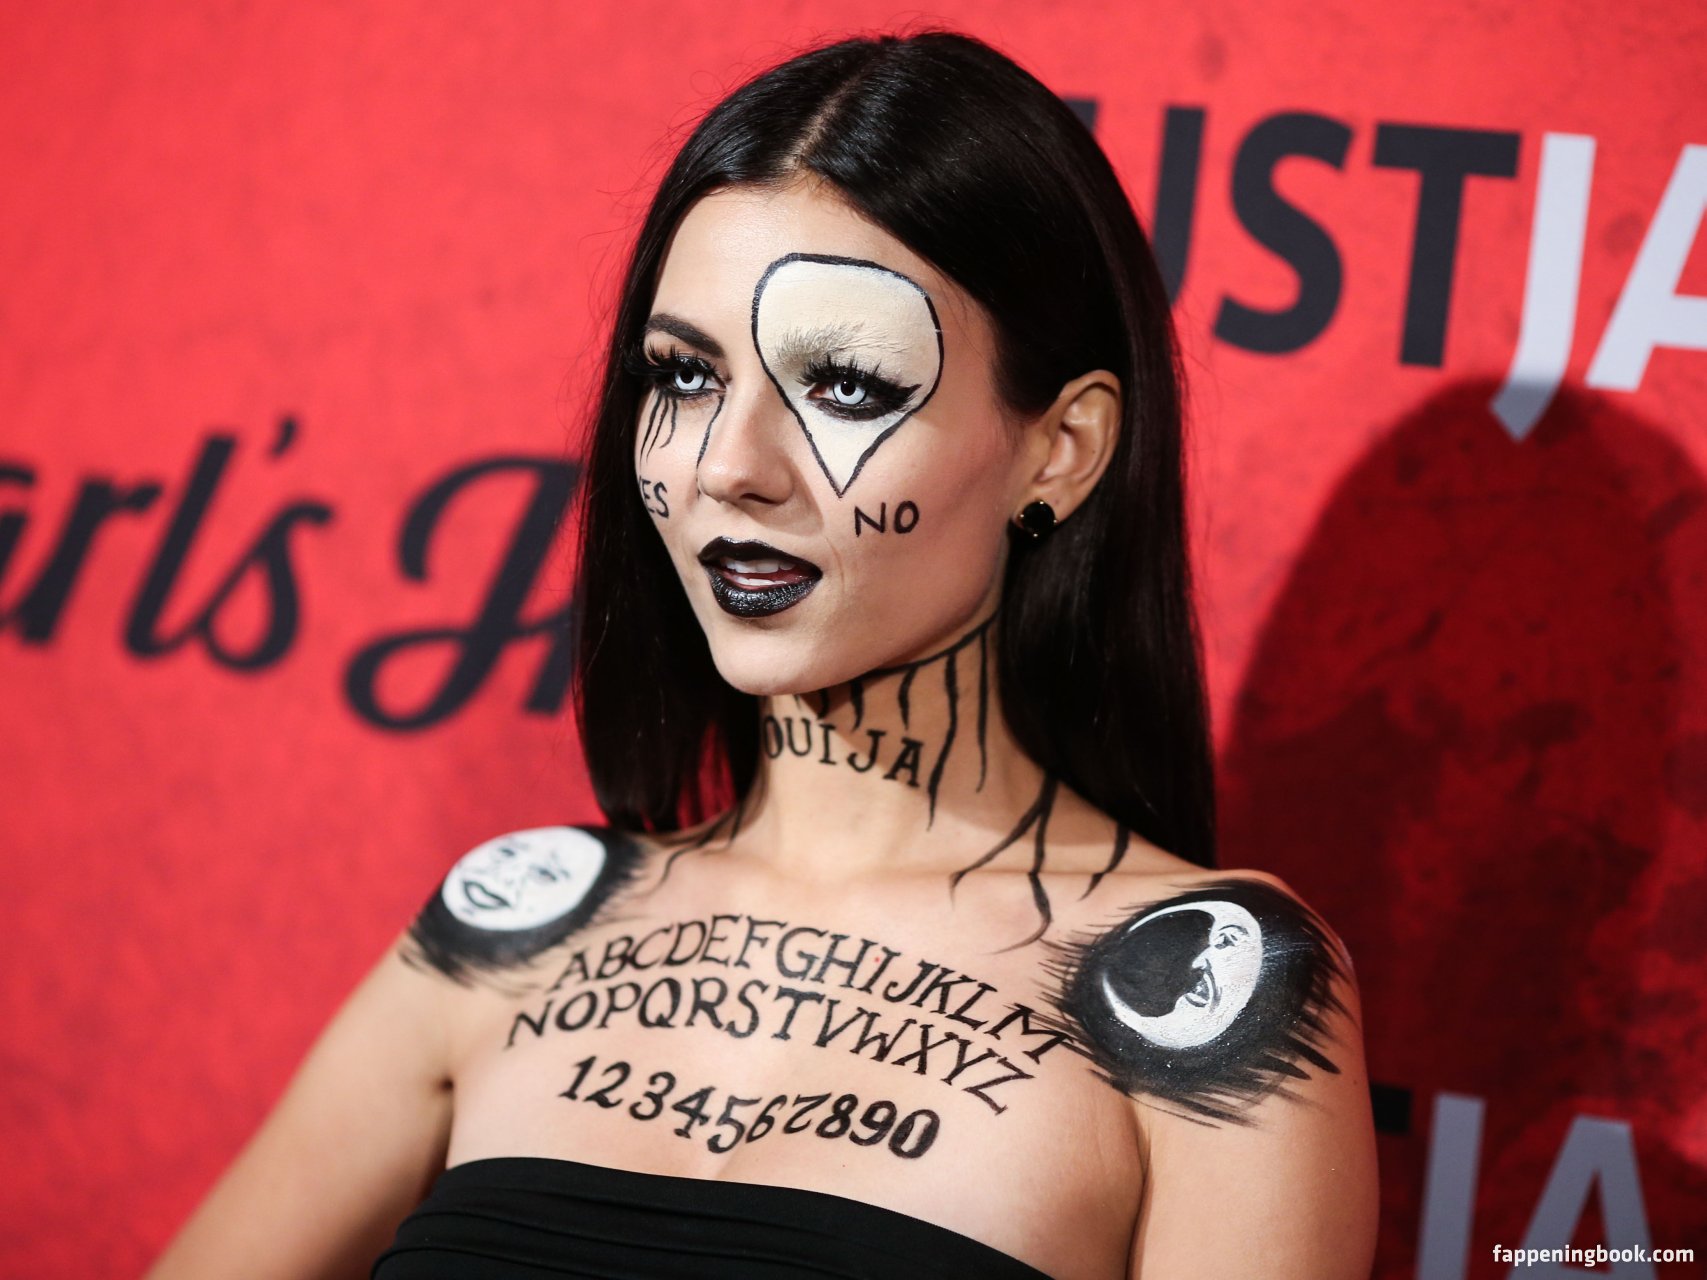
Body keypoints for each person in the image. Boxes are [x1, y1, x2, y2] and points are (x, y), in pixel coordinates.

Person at [147, 28, 1378, 1280]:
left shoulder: (1210, 990)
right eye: (684, 376)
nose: (728, 465)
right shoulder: (511, 928)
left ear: (1060, 449)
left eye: (845, 384)